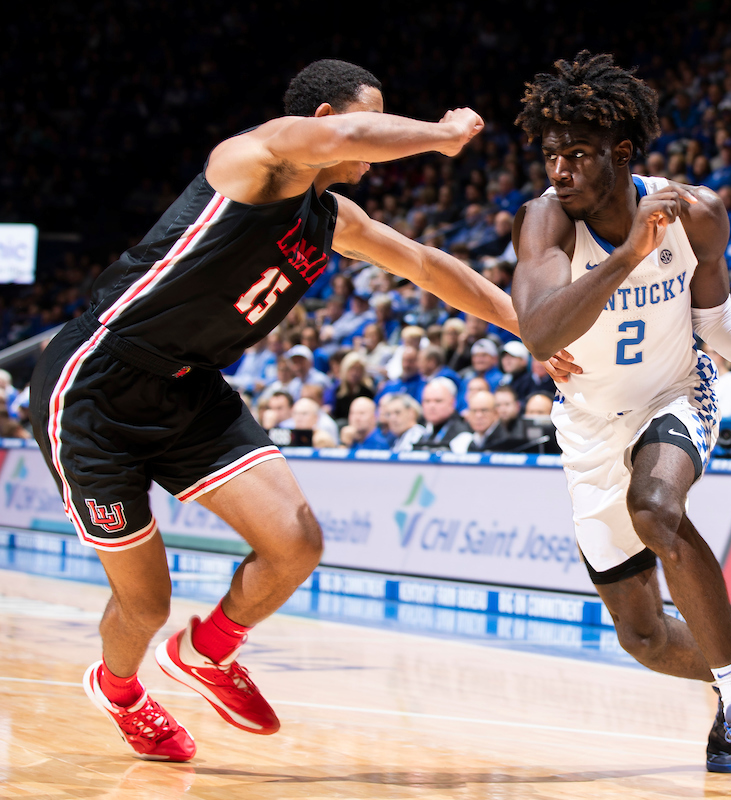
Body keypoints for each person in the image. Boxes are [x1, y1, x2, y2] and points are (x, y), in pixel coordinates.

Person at [24, 59, 553, 762]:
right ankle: (117, 688)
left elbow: (428, 266)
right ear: (326, 123)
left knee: (296, 541)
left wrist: (533, 328)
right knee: (145, 603)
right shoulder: (254, 158)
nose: (374, 143)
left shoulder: (331, 216)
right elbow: (359, 132)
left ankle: (206, 653)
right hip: (96, 387)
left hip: (189, 389)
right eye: (369, 120)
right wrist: (440, 132)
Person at [511, 52, 731, 791]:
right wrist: (627, 255)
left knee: (657, 509)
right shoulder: (543, 221)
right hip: (589, 429)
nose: (562, 170)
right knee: (641, 636)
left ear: (623, 152)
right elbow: (540, 333)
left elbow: (716, 321)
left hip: (678, 392)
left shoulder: (694, 212)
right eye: (552, 155)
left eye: (577, 154)